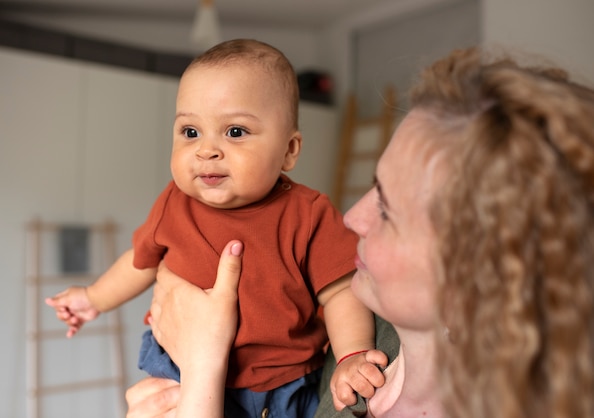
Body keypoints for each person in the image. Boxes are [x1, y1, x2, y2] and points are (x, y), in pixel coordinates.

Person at [126, 45, 594, 418]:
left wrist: (204, 372)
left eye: (389, 210)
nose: (352, 217)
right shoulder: (354, 348)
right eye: (373, 187)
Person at [45, 39, 386, 418]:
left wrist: (352, 354)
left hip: (281, 383)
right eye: (190, 132)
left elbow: (340, 292)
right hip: (178, 371)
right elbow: (139, 263)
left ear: (289, 150)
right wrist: (93, 299)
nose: (206, 150)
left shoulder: (308, 214)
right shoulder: (174, 203)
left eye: (235, 132)